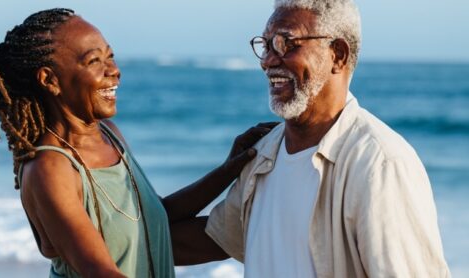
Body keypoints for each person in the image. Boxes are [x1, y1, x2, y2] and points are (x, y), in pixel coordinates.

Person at [0, 8, 277, 278]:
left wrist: (229, 169)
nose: (113, 70)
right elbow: (98, 271)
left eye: (110, 56)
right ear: (49, 80)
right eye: (93, 61)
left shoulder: (110, 135)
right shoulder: (50, 168)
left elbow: (153, 215)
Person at [173, 0, 452, 277]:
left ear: (338, 55)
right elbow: (207, 240)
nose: (268, 60)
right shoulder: (263, 155)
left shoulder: (379, 164)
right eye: (266, 45)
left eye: (286, 43)